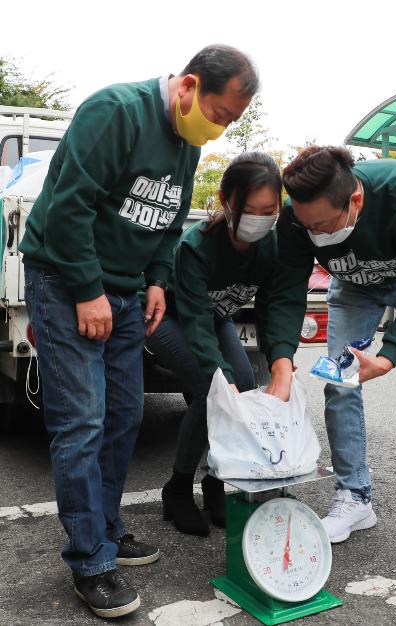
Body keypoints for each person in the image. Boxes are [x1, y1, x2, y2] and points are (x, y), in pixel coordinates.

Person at [19, 44, 257, 618]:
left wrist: (156, 280)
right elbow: (69, 207)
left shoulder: (187, 142)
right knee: (82, 421)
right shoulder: (115, 112)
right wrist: (87, 290)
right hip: (66, 281)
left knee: (124, 414)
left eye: (230, 122)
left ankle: (105, 526)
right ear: (189, 86)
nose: (219, 129)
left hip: (127, 293)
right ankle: (90, 562)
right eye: (219, 114)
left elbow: (169, 220)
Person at [265, 145, 396, 551]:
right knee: (339, 382)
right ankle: (354, 497)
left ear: (355, 201)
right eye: (308, 226)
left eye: (323, 225)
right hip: (353, 288)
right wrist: (280, 357)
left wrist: (388, 356)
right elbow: (287, 290)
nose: (316, 234)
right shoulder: (296, 215)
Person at [145, 152, 281, 537]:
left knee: (245, 386)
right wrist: (218, 374)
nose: (260, 219)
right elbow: (194, 321)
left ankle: (215, 480)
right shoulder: (196, 246)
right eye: (249, 210)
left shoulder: (272, 245)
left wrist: (279, 359)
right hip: (168, 316)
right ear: (227, 202)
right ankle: (177, 488)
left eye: (269, 210)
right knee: (213, 390)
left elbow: (272, 305)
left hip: (215, 316)